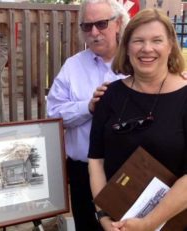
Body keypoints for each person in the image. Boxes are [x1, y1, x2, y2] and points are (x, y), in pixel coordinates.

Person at [88, 8, 187, 231]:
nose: (147, 48)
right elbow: (96, 160)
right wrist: (103, 215)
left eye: (157, 40)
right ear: (127, 47)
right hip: (115, 223)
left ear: (170, 45)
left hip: (174, 223)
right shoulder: (109, 96)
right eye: (138, 41)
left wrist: (147, 224)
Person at [46, 0, 130, 230]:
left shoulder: (138, 62)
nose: (94, 32)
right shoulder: (73, 66)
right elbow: (53, 114)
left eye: (102, 24)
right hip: (82, 172)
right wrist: (88, 107)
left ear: (118, 23)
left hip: (128, 173)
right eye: (87, 26)